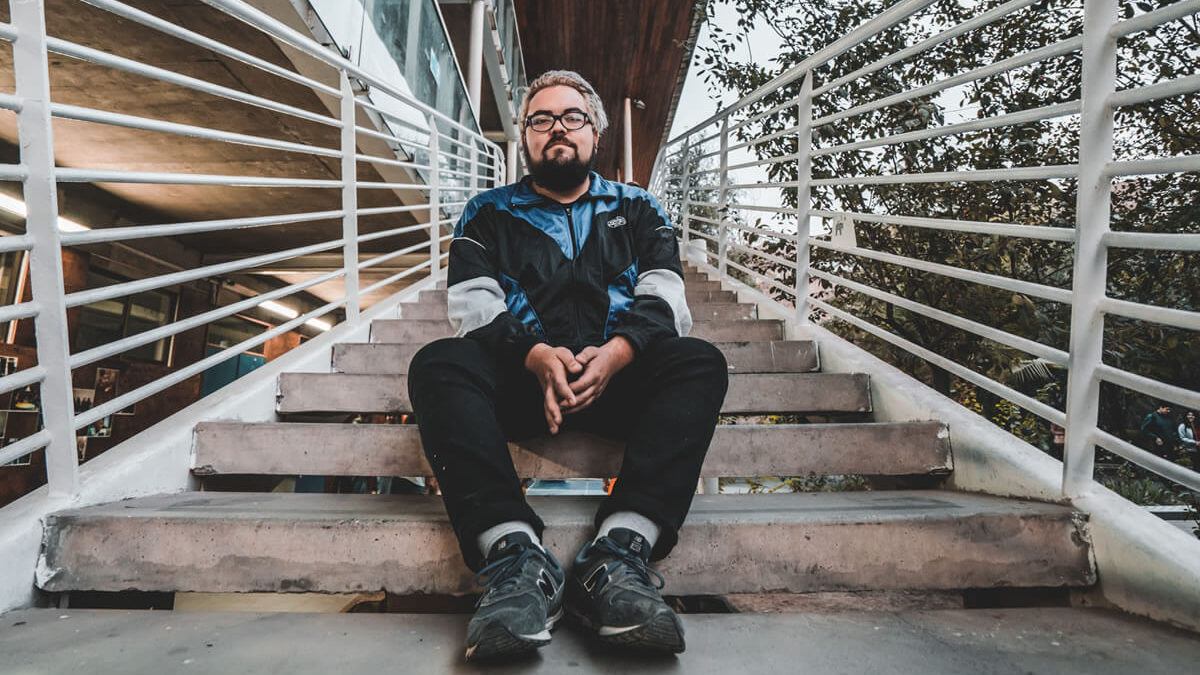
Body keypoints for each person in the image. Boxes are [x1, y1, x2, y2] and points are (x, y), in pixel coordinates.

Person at [407, 70, 728, 661]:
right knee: (438, 362)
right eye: (541, 119)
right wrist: (535, 355)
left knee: (699, 361)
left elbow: (665, 296)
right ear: (525, 137)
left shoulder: (639, 208)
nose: (557, 127)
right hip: (525, 385)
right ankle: (515, 557)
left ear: (595, 133)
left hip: (620, 382)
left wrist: (618, 352)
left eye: (572, 116)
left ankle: (617, 554)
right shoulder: (487, 213)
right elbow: (473, 306)